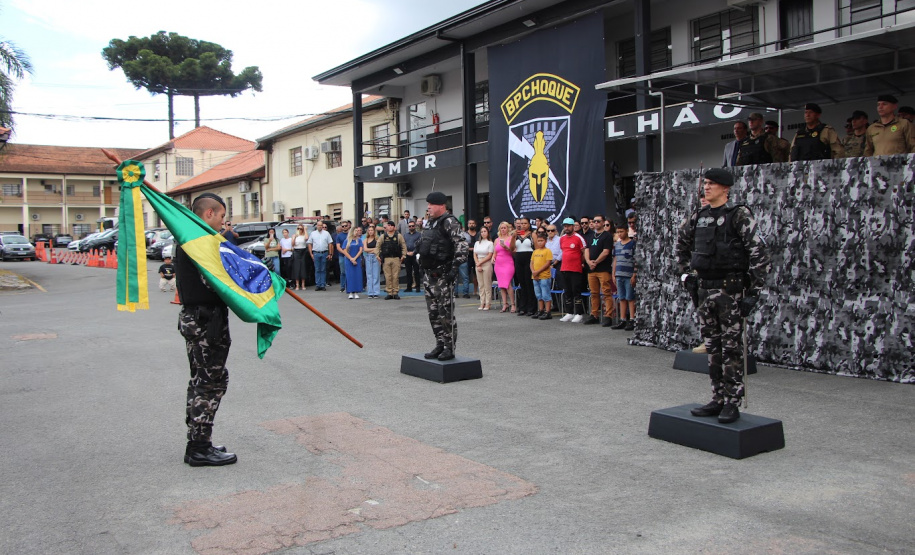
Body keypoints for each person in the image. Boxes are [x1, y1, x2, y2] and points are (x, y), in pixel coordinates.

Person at [676, 169, 771, 424]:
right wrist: (686, 276)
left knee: (731, 349)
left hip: (730, 292)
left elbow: (759, 255)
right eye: (705, 183)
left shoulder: (739, 215)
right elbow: (681, 246)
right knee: (713, 348)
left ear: (725, 189)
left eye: (712, 184)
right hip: (705, 291)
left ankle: (732, 402)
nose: (706, 188)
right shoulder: (698, 216)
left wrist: (753, 292)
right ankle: (717, 398)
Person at [175, 193, 237, 467]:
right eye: (222, 216)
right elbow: (216, 282)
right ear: (209, 213)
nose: (223, 223)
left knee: (202, 381)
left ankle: (198, 442)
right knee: (209, 383)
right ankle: (199, 447)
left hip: (200, 319)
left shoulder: (191, 238)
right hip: (205, 321)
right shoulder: (198, 242)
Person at [417, 192, 467, 361]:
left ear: (441, 206)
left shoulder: (449, 222)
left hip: (443, 276)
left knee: (445, 314)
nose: (428, 207)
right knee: (433, 314)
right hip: (428, 276)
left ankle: (449, 347)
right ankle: (439, 344)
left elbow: (461, 246)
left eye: (431, 204)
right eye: (428, 204)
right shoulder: (430, 223)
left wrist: (454, 268)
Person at [583, 215, 615, 325]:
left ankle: (608, 315)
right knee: (594, 293)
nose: (596, 223)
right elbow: (586, 250)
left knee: (606, 292)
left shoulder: (607, 236)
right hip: (591, 269)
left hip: (603, 268)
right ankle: (594, 314)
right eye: (594, 221)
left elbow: (606, 252)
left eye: (598, 221)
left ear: (603, 222)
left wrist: (596, 262)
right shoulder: (591, 236)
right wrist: (588, 261)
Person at [558, 217, 586, 323]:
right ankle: (569, 312)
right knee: (567, 291)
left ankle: (579, 313)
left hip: (575, 268)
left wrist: (581, 262)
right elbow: (563, 251)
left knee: (576, 291)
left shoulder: (579, 237)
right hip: (564, 267)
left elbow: (584, 252)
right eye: (565, 226)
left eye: (568, 226)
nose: (566, 228)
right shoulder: (562, 238)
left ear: (573, 226)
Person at [611, 225, 637, 331]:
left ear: (626, 231)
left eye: (621, 231)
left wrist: (634, 274)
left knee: (630, 297)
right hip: (619, 273)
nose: (620, 234)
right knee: (621, 297)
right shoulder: (617, 245)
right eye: (618, 232)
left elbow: (636, 260)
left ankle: (632, 319)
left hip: (629, 273)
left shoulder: (632, 244)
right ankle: (622, 319)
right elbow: (615, 259)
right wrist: (613, 273)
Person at [513, 217, 536, 316]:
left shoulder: (532, 234)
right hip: (519, 259)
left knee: (529, 283)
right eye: (521, 223)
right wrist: (513, 237)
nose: (523, 225)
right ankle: (523, 307)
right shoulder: (517, 235)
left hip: (529, 259)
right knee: (522, 284)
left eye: (525, 223)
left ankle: (532, 308)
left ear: (529, 224)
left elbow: (537, 248)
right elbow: (511, 248)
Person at [493, 221, 517, 313]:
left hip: (508, 262)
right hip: (498, 263)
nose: (503, 229)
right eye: (501, 228)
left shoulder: (511, 238)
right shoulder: (497, 240)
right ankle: (505, 303)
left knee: (508, 284)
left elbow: (514, 251)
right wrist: (493, 258)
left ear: (508, 229)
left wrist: (506, 247)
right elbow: (495, 252)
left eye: (504, 228)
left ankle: (513, 304)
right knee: (501, 284)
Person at [379, 220, 406, 300]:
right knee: (388, 276)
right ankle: (389, 292)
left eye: (391, 225)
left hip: (396, 258)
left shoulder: (399, 236)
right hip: (386, 259)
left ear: (394, 227)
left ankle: (395, 292)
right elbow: (378, 246)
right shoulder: (383, 236)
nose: (389, 227)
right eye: (388, 225)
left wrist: (403, 255)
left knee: (395, 276)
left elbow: (403, 246)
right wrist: (378, 256)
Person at [529, 231, 553, 320]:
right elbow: (531, 263)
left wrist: (537, 271)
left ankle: (548, 311)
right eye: (538, 241)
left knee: (545, 294)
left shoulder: (548, 251)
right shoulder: (535, 251)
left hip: (544, 276)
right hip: (535, 276)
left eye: (541, 240)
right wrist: (533, 272)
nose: (540, 242)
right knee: (538, 294)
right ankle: (541, 310)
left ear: (545, 241)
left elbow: (547, 263)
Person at [307, 222, 334, 291]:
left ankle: (323, 284)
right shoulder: (313, 233)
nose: (320, 226)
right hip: (316, 253)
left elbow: (330, 243)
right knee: (317, 269)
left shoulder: (326, 233)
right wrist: (311, 254)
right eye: (319, 225)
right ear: (316, 226)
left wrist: (330, 254)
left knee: (323, 269)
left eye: (321, 225)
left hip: (324, 253)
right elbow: (309, 243)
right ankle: (318, 284)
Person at [473, 224, 494, 310]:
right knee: (481, 285)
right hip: (478, 262)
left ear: (488, 233)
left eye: (485, 231)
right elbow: (474, 254)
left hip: (486, 263)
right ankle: (482, 302)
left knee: (487, 284)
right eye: (481, 232)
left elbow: (489, 255)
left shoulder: (490, 243)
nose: (483, 233)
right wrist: (477, 263)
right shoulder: (477, 243)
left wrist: (480, 263)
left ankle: (488, 303)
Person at [343, 226, 364, 299]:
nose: (357, 232)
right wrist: (351, 259)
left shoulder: (359, 240)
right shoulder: (347, 241)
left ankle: (356, 291)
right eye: (355, 231)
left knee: (357, 275)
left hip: (357, 259)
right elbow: (344, 251)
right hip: (349, 260)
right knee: (350, 276)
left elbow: (361, 250)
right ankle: (350, 292)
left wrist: (355, 258)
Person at [402, 219, 422, 292]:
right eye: (410, 226)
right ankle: (409, 287)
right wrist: (406, 252)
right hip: (407, 255)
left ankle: (418, 287)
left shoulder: (419, 235)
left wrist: (413, 252)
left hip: (415, 255)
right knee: (408, 272)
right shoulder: (405, 235)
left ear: (415, 226)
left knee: (416, 272)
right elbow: (403, 244)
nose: (411, 227)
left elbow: (419, 245)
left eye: (412, 226)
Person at [363, 225, 381, 298]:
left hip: (376, 257)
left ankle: (376, 292)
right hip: (368, 257)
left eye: (372, 230)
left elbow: (379, 249)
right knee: (369, 275)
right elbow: (365, 249)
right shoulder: (366, 240)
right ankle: (370, 292)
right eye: (369, 230)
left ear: (374, 231)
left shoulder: (377, 239)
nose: (370, 232)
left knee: (376, 275)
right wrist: (374, 249)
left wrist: (374, 250)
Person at [334, 221, 351, 292]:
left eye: (345, 226)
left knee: (350, 271)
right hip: (341, 256)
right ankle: (342, 286)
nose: (344, 227)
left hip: (350, 256)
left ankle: (349, 286)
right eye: (343, 226)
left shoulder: (351, 235)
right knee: (343, 272)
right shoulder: (339, 236)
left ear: (348, 226)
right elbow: (338, 247)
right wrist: (344, 252)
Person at [291, 224, 309, 291]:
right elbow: (292, 244)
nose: (299, 230)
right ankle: (297, 284)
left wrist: (305, 230)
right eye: (298, 228)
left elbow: (307, 238)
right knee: (297, 267)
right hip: (296, 251)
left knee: (303, 267)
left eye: (301, 228)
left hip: (303, 251)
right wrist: (294, 238)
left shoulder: (304, 235)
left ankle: (303, 284)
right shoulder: (294, 235)